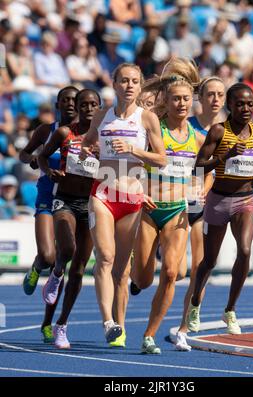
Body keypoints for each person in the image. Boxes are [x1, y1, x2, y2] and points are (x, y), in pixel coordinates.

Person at [79, 63, 166, 348]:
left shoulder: (148, 119)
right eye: (124, 80)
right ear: (114, 84)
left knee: (122, 270)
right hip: (103, 194)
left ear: (140, 87)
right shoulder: (102, 116)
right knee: (104, 257)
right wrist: (86, 150)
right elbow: (87, 144)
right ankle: (108, 322)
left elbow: (161, 159)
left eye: (134, 81)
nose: (129, 85)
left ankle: (121, 326)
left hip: (131, 199)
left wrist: (133, 150)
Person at [186, 83, 253, 337]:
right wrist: (223, 157)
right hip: (218, 200)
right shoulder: (218, 131)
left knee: (245, 251)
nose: (245, 108)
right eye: (239, 103)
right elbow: (198, 167)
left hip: (245, 200)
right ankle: (195, 303)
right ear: (229, 106)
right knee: (210, 261)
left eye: (249, 103)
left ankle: (230, 310)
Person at [130, 58, 202, 354]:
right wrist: (136, 191)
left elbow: (207, 171)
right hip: (149, 209)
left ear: (191, 101)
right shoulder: (153, 129)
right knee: (144, 279)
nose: (182, 104)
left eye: (186, 99)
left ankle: (149, 335)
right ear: (167, 101)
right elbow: (130, 164)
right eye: (176, 99)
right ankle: (136, 273)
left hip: (176, 211)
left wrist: (202, 190)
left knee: (172, 273)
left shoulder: (197, 138)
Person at [38, 89, 101, 349]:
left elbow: (117, 168)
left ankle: (62, 325)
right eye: (83, 104)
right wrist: (49, 171)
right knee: (67, 248)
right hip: (64, 199)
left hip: (91, 204)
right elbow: (42, 156)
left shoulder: (104, 138)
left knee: (79, 270)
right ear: (76, 106)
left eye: (93, 104)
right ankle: (55, 272)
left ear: (99, 108)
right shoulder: (65, 133)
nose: (88, 108)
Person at [20, 86, 79, 343]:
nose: (69, 104)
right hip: (47, 197)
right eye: (64, 100)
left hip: (73, 201)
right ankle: (36, 266)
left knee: (61, 265)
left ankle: (47, 323)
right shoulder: (46, 130)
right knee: (47, 255)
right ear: (57, 104)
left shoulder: (85, 134)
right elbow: (24, 153)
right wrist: (33, 158)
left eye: (73, 100)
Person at [176, 76, 226, 351]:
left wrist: (205, 189)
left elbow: (217, 171)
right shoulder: (186, 124)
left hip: (203, 202)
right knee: (176, 272)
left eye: (220, 94)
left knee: (200, 265)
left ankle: (184, 326)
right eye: (211, 94)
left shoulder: (226, 131)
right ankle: (140, 274)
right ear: (201, 97)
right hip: (172, 199)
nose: (216, 99)